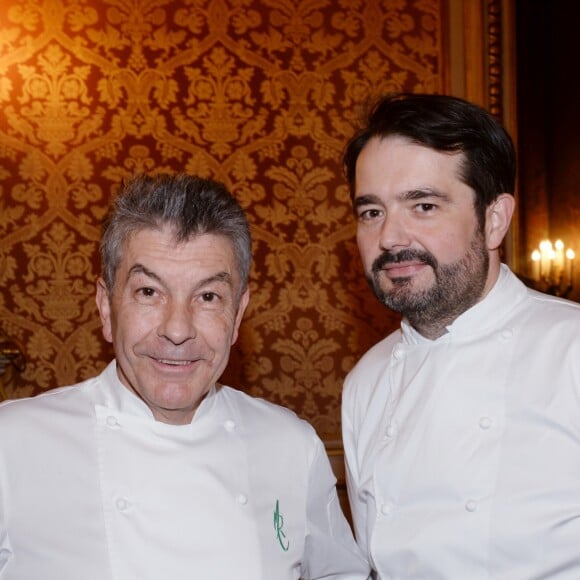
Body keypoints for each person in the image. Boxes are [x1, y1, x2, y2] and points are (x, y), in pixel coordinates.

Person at [0, 173, 370, 580]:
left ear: (237, 316)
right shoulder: (13, 442)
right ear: (106, 308)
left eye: (208, 297)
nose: (177, 329)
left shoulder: (290, 445)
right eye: (148, 292)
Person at [341, 93, 580, 578]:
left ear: (494, 220)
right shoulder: (365, 381)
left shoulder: (571, 349)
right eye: (371, 212)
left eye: (423, 205)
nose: (390, 237)